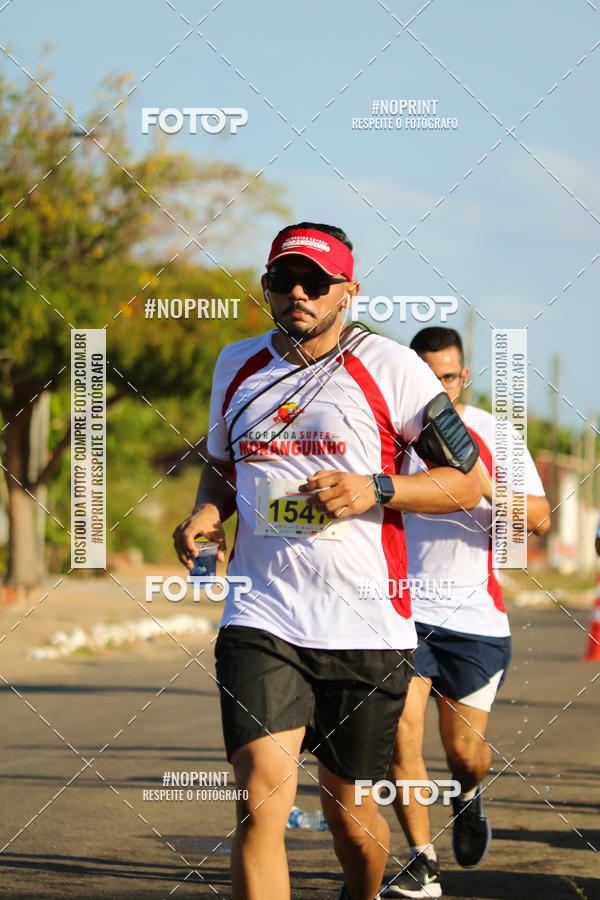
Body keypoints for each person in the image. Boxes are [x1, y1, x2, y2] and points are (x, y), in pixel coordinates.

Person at [172, 225, 482, 900]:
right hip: (263, 614)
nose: (299, 294)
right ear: (267, 288)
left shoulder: (394, 367)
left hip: (367, 628)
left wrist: (376, 488)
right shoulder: (236, 364)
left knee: (350, 813)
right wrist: (207, 513)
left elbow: (468, 480)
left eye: (316, 282)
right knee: (260, 798)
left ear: (350, 291)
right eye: (284, 280)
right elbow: (224, 469)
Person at [381, 327, 550, 899]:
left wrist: (480, 487)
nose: (438, 388)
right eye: (426, 377)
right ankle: (422, 863)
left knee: (463, 753)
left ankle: (470, 794)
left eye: (447, 378)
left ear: (464, 377)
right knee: (400, 734)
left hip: (474, 620)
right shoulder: (391, 431)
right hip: (399, 612)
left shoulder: (493, 433)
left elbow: (539, 518)